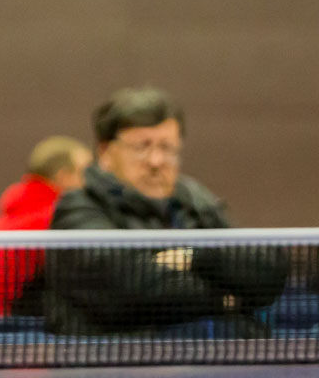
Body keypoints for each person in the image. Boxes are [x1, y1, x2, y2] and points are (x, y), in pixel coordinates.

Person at [45, 86, 285, 334]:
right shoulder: (78, 208)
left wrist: (194, 258)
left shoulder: (196, 201)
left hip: (217, 349)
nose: (156, 161)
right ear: (105, 152)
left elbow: (266, 272)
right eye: (141, 147)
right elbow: (131, 289)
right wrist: (225, 298)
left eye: (167, 147)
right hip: (118, 355)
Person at [0, 136, 91, 325]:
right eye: (87, 172)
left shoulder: (20, 206)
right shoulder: (53, 217)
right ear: (64, 176)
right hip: (0, 328)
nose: (92, 180)